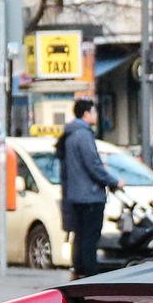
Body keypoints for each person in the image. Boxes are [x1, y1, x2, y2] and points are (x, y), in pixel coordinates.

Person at [54, 98, 120, 279]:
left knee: (79, 235)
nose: (96, 115)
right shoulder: (83, 135)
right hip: (90, 195)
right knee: (90, 237)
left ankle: (79, 270)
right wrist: (113, 182)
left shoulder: (70, 134)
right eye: (94, 112)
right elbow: (93, 165)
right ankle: (90, 273)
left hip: (75, 195)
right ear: (86, 114)